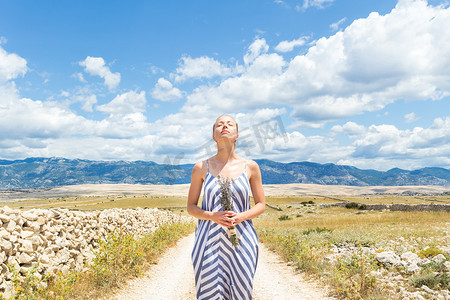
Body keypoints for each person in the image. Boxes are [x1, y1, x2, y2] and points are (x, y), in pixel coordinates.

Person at [187, 114, 266, 300]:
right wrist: (212, 216)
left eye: (230, 124)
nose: (224, 126)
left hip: (243, 239)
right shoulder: (200, 167)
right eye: (219, 125)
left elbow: (261, 204)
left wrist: (241, 217)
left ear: (237, 135)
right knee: (209, 294)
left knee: (241, 292)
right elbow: (191, 206)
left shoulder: (251, 167)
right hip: (208, 241)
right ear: (214, 135)